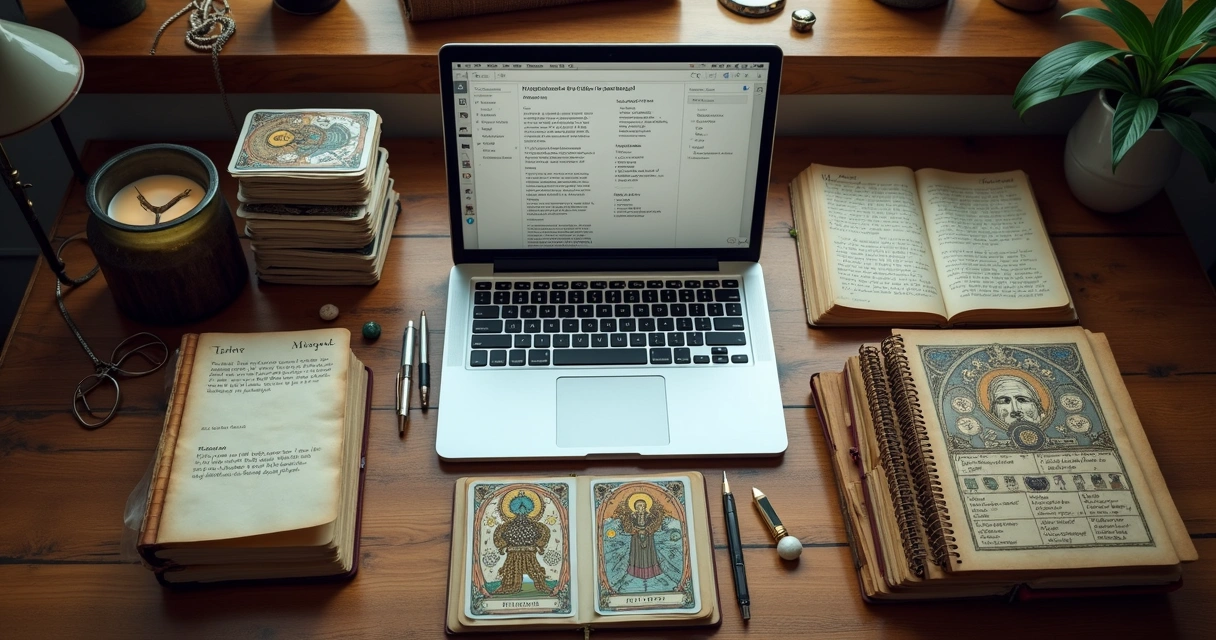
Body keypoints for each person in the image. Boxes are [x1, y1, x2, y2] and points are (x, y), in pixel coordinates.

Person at [615, 493, 667, 580]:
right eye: (639, 506)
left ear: (646, 507)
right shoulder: (632, 516)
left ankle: (650, 572)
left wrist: (646, 530)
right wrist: (637, 530)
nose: (642, 508)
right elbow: (629, 527)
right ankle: (636, 573)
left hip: (648, 537)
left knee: (648, 553)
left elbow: (653, 526)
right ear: (635, 507)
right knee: (637, 554)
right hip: (636, 537)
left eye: (643, 506)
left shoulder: (649, 515)